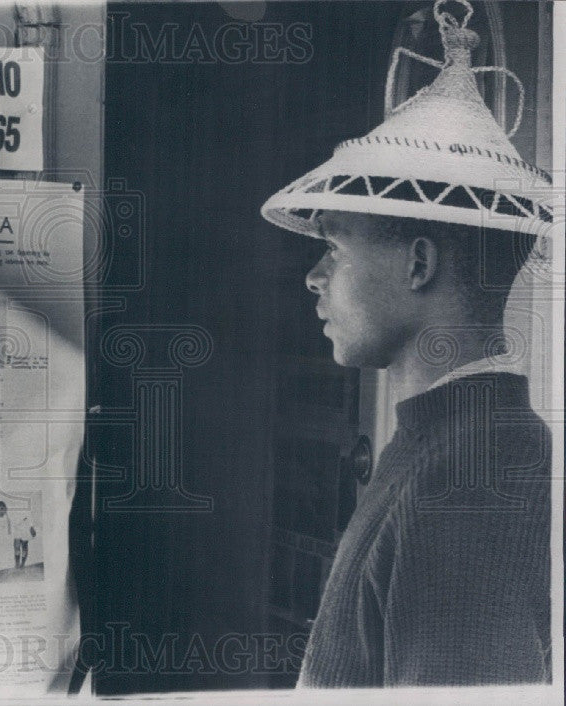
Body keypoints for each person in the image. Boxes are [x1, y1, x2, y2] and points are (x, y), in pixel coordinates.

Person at [260, 0, 550, 687]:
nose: (312, 276)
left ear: (418, 264)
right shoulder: (445, 441)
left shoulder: (470, 480)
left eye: (334, 245)